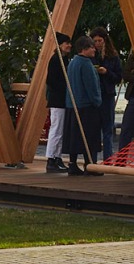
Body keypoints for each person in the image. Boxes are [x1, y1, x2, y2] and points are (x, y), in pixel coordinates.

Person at [63, 34, 102, 175]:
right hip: (86, 106)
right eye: (92, 47)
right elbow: (91, 86)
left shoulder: (73, 62)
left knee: (75, 136)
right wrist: (97, 101)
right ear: (85, 49)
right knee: (89, 136)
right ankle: (90, 164)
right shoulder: (86, 64)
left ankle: (72, 163)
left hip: (73, 105)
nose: (94, 50)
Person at [43, 32, 73, 174]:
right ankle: (51, 158)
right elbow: (51, 81)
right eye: (66, 43)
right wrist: (65, 87)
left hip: (62, 99)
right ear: (60, 45)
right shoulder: (56, 60)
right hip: (58, 99)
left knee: (60, 130)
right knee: (56, 129)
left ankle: (57, 157)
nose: (69, 45)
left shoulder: (65, 60)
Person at [91, 27, 122, 159]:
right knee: (94, 128)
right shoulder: (90, 56)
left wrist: (107, 72)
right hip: (95, 94)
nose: (98, 43)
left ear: (105, 40)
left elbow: (118, 77)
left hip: (107, 94)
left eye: (100, 40)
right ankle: (92, 157)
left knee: (108, 128)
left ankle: (108, 158)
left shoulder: (113, 57)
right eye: (95, 41)